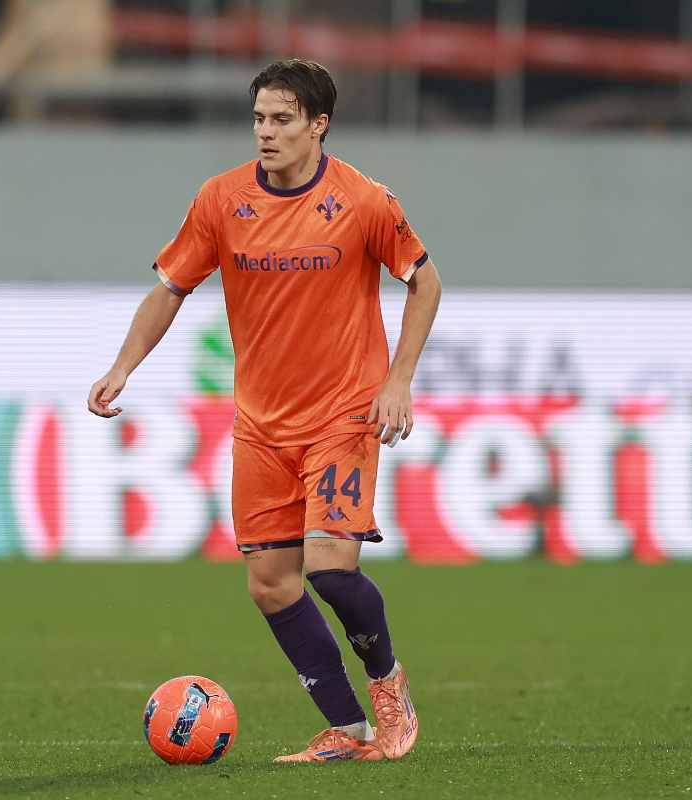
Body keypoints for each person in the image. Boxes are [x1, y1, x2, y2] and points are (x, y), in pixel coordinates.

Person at [87, 58, 442, 764]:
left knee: (331, 568)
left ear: (319, 125)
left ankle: (388, 685)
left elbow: (425, 282)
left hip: (343, 414)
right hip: (261, 426)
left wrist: (398, 381)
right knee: (271, 585)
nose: (265, 132)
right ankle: (347, 728)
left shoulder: (363, 201)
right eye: (258, 118)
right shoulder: (221, 200)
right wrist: (122, 366)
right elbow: (170, 289)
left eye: (282, 119)